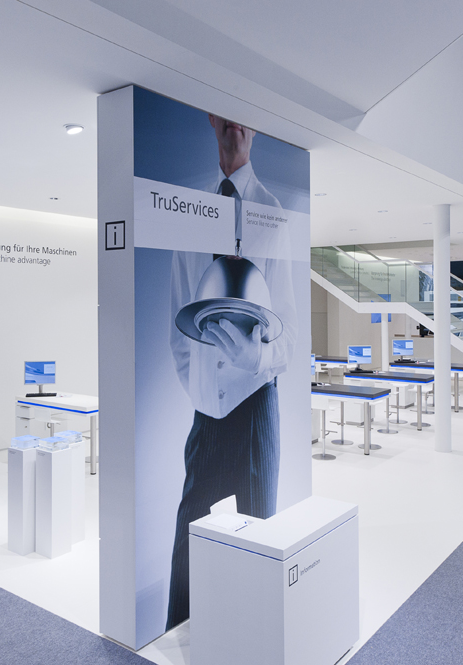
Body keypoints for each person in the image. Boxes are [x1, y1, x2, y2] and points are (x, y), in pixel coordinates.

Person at [165, 114, 297, 630]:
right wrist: (201, 389)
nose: (234, 124)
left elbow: (289, 332)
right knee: (187, 544)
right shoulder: (189, 211)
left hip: (255, 405)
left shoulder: (273, 214)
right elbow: (178, 321)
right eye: (223, 114)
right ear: (210, 120)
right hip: (206, 415)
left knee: (258, 539)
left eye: (244, 118)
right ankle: (175, 646)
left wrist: (255, 360)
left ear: (255, 129)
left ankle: (254, 642)